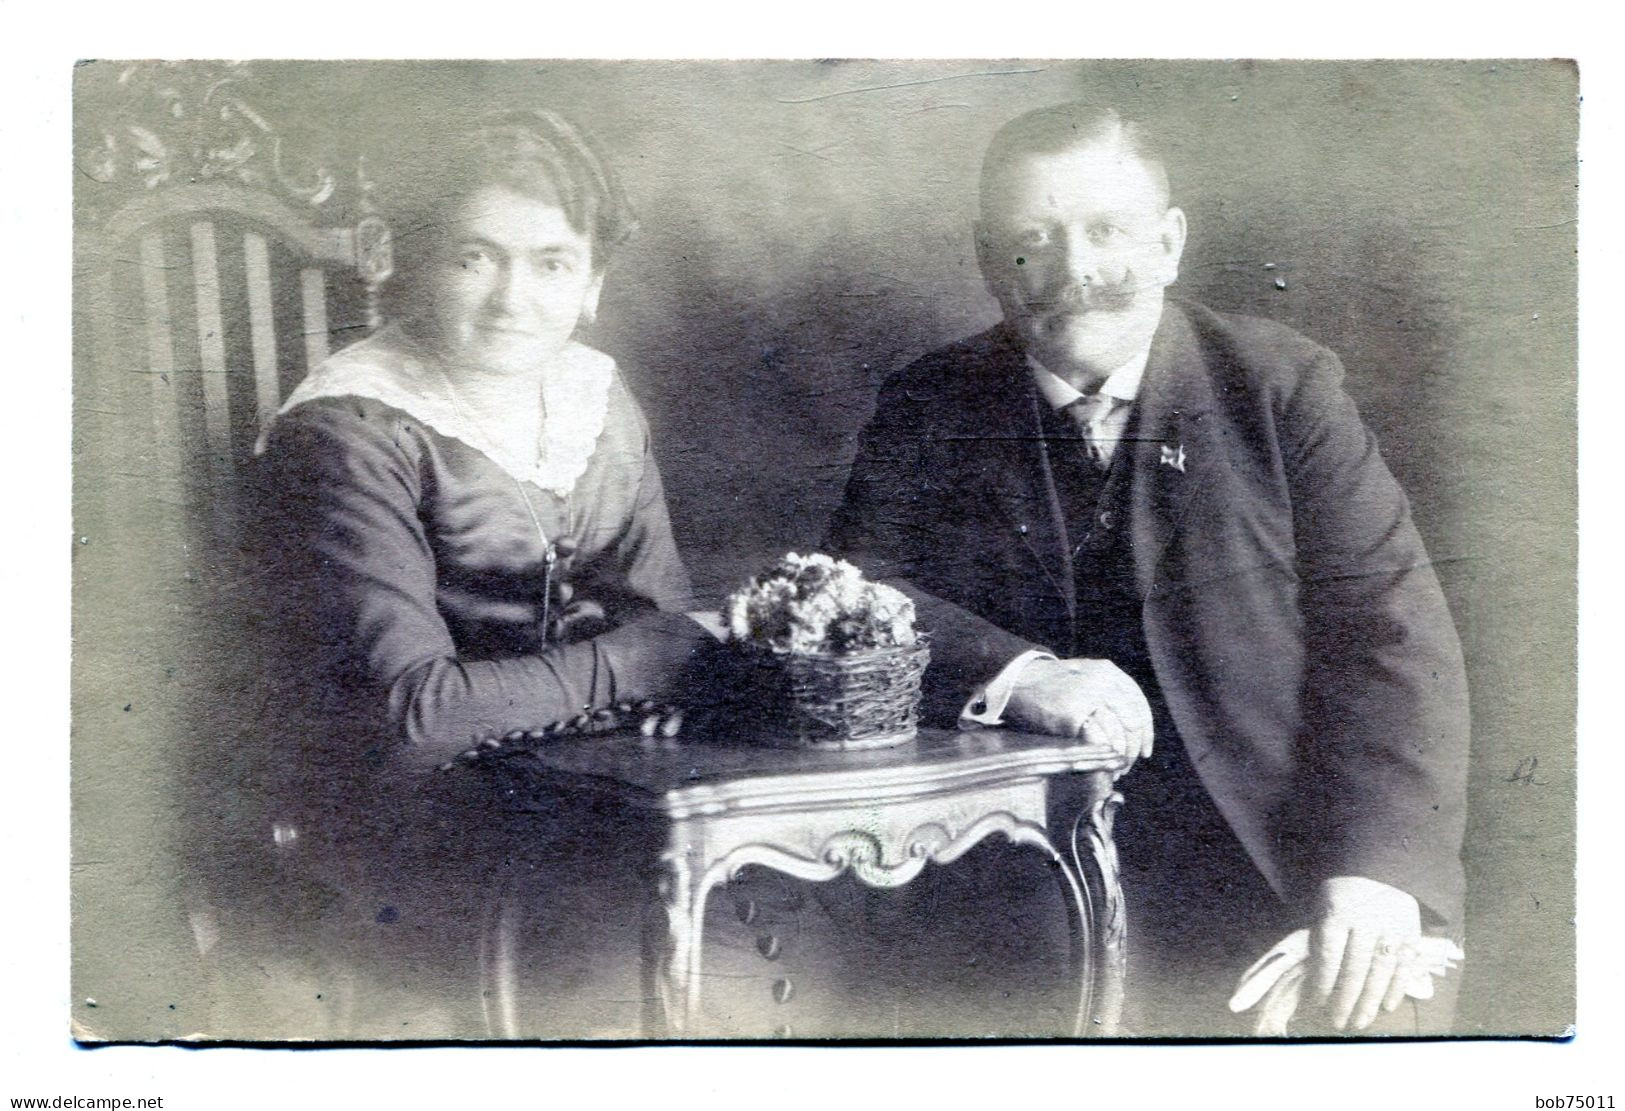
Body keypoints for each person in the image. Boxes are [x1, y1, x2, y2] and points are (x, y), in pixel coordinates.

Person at [827, 102, 1470, 1036]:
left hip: (1278, 874)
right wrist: (1018, 676)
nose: (1073, 273)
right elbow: (857, 596)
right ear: (982, 257)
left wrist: (1376, 872)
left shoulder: (1278, 389)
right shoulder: (929, 404)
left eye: (1106, 232)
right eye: (1029, 242)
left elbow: (1393, 636)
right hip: (1010, 891)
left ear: (1168, 243)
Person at [251, 110, 719, 1033]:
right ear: (410, 258)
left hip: (583, 785)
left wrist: (666, 660)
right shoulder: (350, 427)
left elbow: (662, 618)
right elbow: (412, 714)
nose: (513, 299)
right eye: (475, 256)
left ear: (592, 280)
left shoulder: (593, 391)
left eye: (551, 263)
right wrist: (639, 664)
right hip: (400, 820)